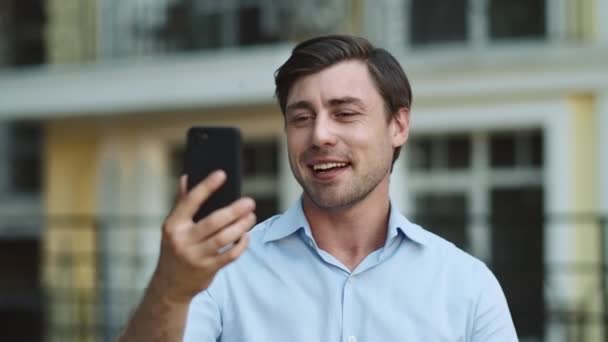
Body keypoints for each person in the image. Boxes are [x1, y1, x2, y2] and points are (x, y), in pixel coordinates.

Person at [119, 35, 517, 341]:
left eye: (345, 113)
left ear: (398, 126)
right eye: (301, 117)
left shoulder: (467, 285)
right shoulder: (222, 270)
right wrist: (170, 289)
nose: (320, 135)